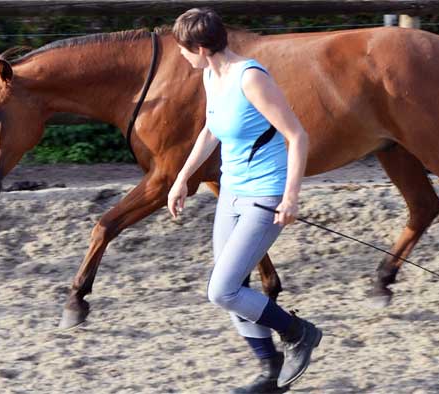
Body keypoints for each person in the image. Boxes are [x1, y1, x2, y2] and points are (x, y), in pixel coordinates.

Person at [167, 8, 322, 394]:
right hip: (232, 192)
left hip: (265, 194)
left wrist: (291, 197)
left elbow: (297, 136)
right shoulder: (209, 76)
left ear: (201, 48)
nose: (181, 56)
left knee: (222, 290)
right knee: (234, 288)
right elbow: (210, 130)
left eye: (184, 50)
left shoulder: (250, 78)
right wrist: (182, 178)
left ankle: (298, 332)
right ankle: (270, 372)